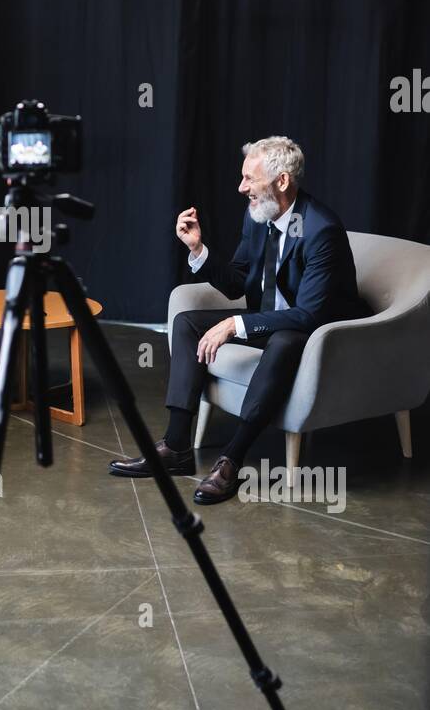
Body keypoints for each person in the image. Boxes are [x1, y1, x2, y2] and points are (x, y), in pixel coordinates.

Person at [109, 136, 370, 504]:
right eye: (242, 177)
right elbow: (236, 284)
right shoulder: (258, 217)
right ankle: (177, 447)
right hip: (271, 320)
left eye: (250, 179)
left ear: (282, 180)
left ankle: (231, 459)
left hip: (316, 334)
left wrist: (236, 326)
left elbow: (309, 315)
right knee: (186, 322)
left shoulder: (320, 229)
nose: (241, 187)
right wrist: (198, 250)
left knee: (283, 340)